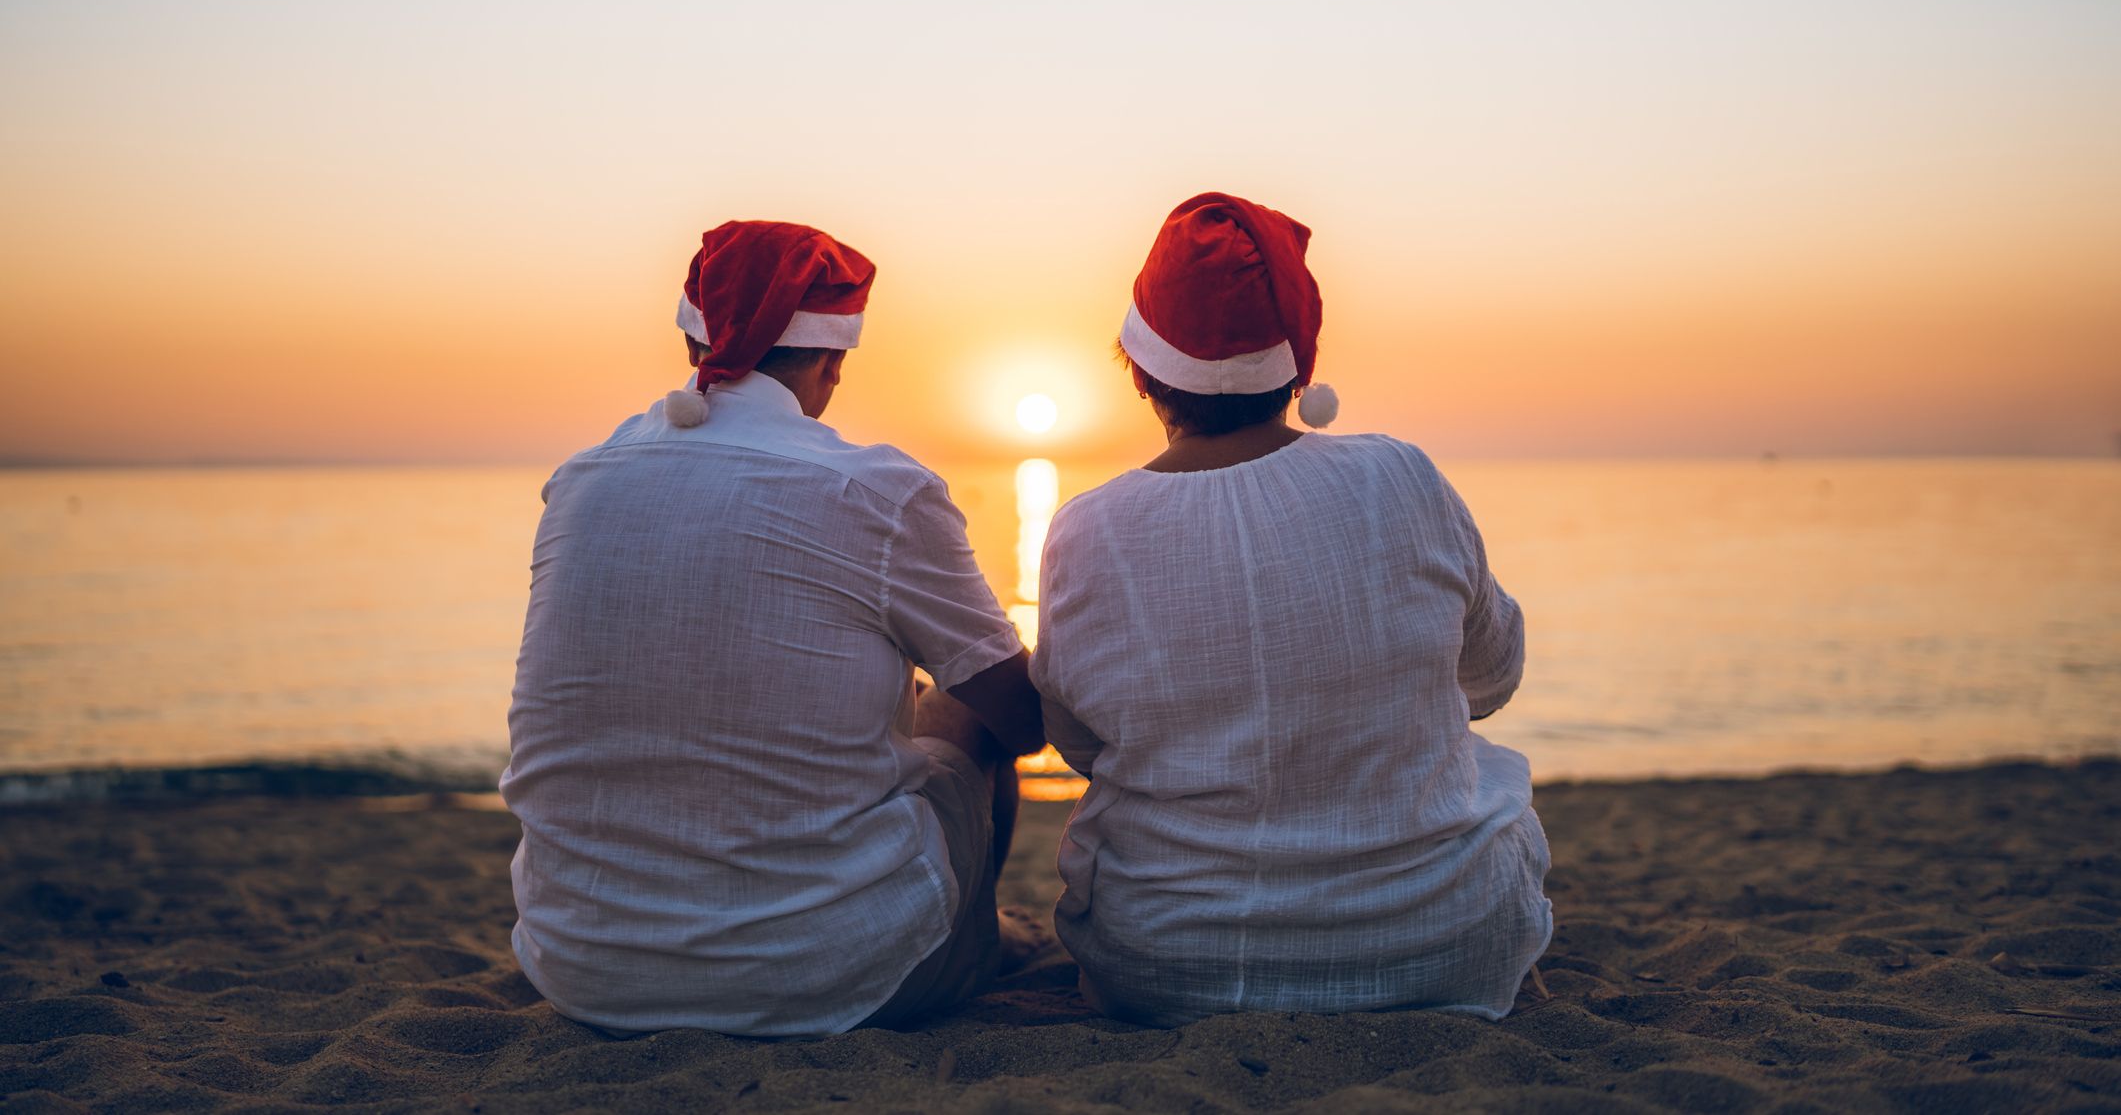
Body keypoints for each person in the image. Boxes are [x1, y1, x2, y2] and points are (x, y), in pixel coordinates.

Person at [501, 219, 1045, 1038]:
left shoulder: (581, 480)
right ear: (833, 360)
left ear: (693, 343)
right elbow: (1022, 717)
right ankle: (972, 937)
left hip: (579, 966)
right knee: (961, 705)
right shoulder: (878, 491)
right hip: (834, 978)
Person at [1029, 192, 1551, 1026]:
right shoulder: (1400, 477)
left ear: (1142, 370)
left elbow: (1081, 742)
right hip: (1445, 946)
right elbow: (1490, 678)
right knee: (1485, 768)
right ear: (1297, 363)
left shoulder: (1088, 528)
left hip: (1171, 964)